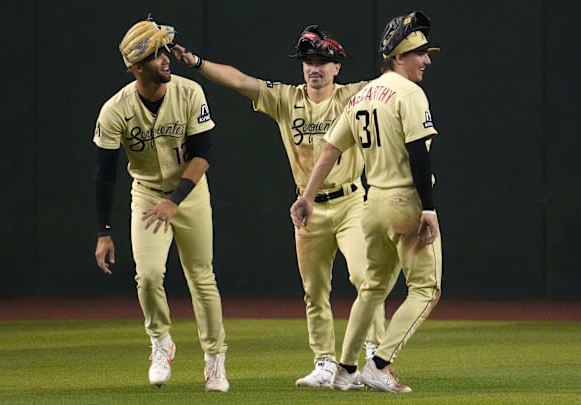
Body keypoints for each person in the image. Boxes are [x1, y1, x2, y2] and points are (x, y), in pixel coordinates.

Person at [170, 25, 386, 387]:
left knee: (366, 277)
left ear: (337, 68)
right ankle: (324, 362)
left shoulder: (355, 95)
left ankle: (373, 359)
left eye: (322, 61)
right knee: (314, 289)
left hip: (351, 202)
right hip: (308, 207)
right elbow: (240, 81)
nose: (313, 68)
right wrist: (195, 61)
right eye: (308, 62)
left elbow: (393, 86)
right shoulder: (287, 98)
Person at [290, 10, 443, 393]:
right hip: (405, 200)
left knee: (373, 287)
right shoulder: (410, 93)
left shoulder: (364, 95)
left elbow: (328, 149)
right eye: (420, 53)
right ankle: (379, 363)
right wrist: (428, 207)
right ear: (399, 57)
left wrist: (306, 196)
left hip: (371, 203)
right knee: (426, 289)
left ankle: (344, 370)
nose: (426, 60)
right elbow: (418, 154)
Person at [92, 15, 229, 392]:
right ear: (137, 66)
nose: (166, 58)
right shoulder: (115, 110)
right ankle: (161, 343)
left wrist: (176, 200)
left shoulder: (189, 92)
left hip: (190, 193)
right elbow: (105, 173)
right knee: (149, 275)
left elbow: (204, 153)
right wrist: (104, 232)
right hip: (149, 195)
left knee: (202, 277)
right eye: (156, 54)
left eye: (166, 50)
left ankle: (215, 360)